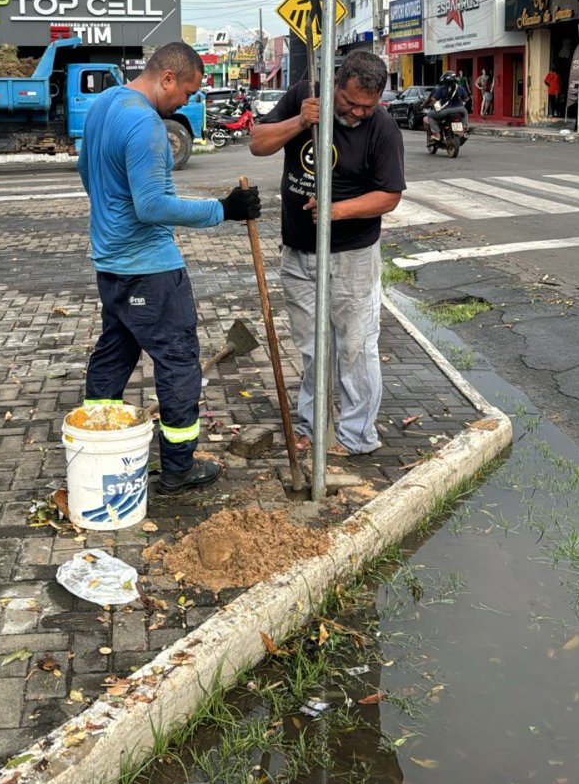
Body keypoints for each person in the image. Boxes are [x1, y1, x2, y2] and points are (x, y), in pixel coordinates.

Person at [79, 41, 261, 495]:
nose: (188, 101)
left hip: (111, 263)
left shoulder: (105, 103)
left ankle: (94, 440)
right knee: (178, 361)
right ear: (167, 78)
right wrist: (224, 209)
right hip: (150, 268)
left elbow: (86, 171)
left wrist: (110, 212)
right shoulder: (146, 124)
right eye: (188, 91)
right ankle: (179, 467)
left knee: (115, 350)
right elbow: (152, 205)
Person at [249, 50, 405, 456]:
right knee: (313, 348)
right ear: (337, 83)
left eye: (367, 107)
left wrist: (337, 210)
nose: (357, 112)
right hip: (298, 252)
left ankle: (357, 436)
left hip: (352, 256)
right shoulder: (306, 94)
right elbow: (258, 144)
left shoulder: (383, 130)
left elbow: (389, 196)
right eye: (351, 102)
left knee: (355, 347)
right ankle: (313, 427)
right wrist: (301, 121)